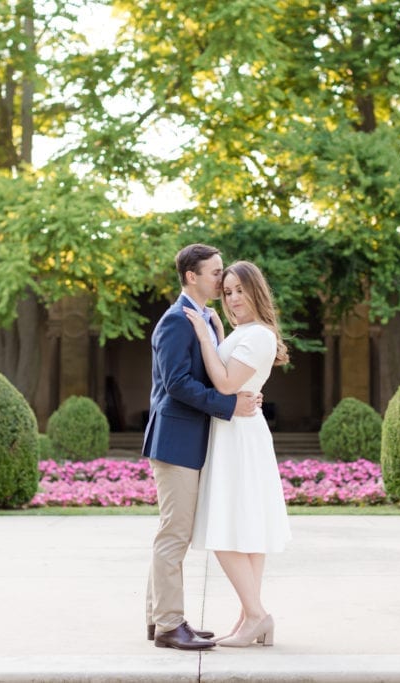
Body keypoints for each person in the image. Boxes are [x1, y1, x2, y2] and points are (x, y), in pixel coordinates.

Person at [143, 243, 262, 651]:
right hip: (175, 441)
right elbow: (176, 384)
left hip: (192, 441)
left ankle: (158, 617)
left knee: (172, 532)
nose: (221, 279)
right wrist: (229, 405)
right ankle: (169, 625)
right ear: (191, 276)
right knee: (174, 535)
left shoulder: (205, 319)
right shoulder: (177, 320)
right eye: (215, 273)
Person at [184, 260, 292, 648]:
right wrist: (216, 330)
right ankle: (250, 616)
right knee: (245, 530)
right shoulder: (242, 332)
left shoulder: (259, 335)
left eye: (239, 290)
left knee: (225, 527)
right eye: (227, 291)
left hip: (239, 435)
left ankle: (258, 615)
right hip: (234, 431)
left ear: (255, 291)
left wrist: (203, 335)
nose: (232, 298)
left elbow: (227, 383)